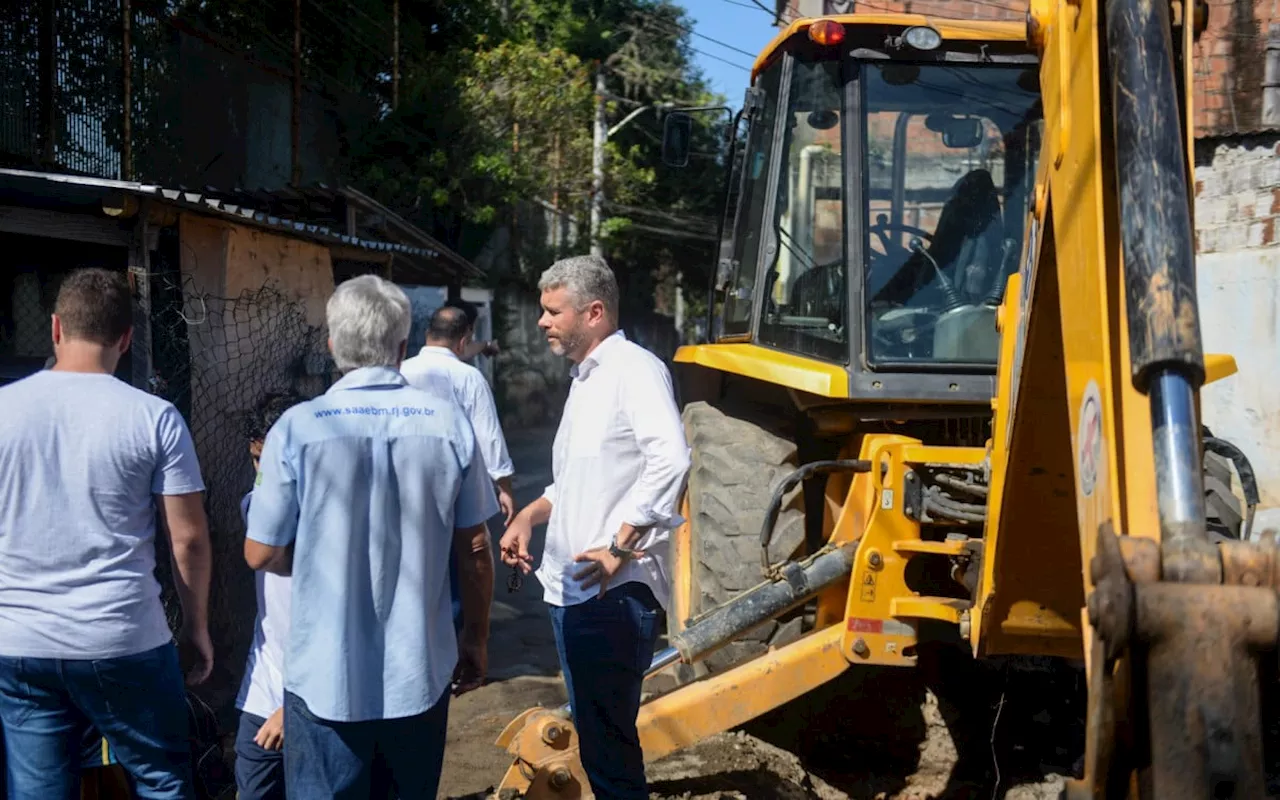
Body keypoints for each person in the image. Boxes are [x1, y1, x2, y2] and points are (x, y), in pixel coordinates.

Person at [243, 274, 497, 799]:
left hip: (322, 682)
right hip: (419, 676)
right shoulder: (449, 425)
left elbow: (261, 551)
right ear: (403, 347)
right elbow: (474, 547)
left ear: (332, 345)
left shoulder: (296, 428)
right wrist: (474, 638)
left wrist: (319, 553)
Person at [0, 267, 213, 799]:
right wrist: (195, 627)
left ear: (55, 329)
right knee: (162, 780)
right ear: (126, 337)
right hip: (123, 635)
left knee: (37, 791)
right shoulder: (156, 418)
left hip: (19, 641)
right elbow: (187, 538)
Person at [499, 254, 691, 800]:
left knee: (608, 748)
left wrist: (619, 545)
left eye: (553, 311)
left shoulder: (633, 370)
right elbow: (580, 482)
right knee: (599, 739)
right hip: (576, 592)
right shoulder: (586, 380)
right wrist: (528, 517)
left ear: (595, 312)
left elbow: (671, 459)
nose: (542, 322)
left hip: (613, 593)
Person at [401, 305, 516, 647]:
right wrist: (505, 488)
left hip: (407, 492)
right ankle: (454, 648)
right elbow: (488, 437)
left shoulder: (401, 370)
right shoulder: (468, 377)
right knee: (463, 564)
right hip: (455, 494)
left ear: (426, 335)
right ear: (464, 339)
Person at [233, 391, 305, 800]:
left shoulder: (328, 518)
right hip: (262, 687)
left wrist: (292, 709)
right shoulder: (253, 507)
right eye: (257, 462)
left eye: (273, 461)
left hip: (313, 697)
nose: (264, 476)